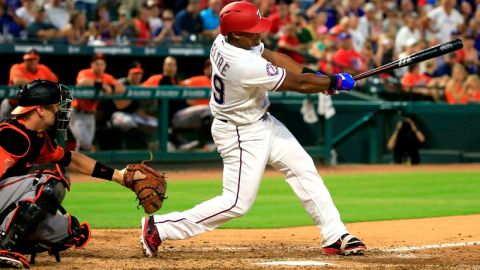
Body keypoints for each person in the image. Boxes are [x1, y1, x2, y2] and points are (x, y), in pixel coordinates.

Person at [140, 1, 365, 258]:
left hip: (261, 121)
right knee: (236, 203)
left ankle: (334, 234)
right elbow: (299, 84)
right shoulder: (242, 64)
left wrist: (320, 77)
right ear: (236, 33)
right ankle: (160, 228)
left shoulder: (226, 40)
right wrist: (330, 81)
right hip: (240, 133)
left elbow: (275, 58)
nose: (259, 33)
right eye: (253, 29)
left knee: (303, 169)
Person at [0, 80, 141, 269]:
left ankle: (12, 242)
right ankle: (3, 247)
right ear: (40, 109)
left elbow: (72, 159)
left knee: (69, 231)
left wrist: (119, 176)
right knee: (49, 183)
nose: (61, 110)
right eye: (56, 106)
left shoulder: (36, 137)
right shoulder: (11, 135)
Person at [69, 53, 125, 152]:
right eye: (97, 64)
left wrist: (111, 88)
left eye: (102, 64)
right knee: (86, 144)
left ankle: (76, 165)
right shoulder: (85, 73)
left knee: (83, 145)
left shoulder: (106, 77)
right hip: (77, 113)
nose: (99, 67)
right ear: (92, 65)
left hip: (91, 115)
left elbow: (121, 88)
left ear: (105, 66)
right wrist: (101, 85)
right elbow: (82, 81)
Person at [0, 49, 58, 119]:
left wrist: (34, 83)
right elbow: (17, 81)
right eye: (29, 59)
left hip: (29, 109)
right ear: (24, 59)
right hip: (12, 105)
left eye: (34, 59)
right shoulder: (17, 67)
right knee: (3, 127)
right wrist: (39, 82)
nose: (32, 61)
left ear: (38, 59)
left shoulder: (43, 69)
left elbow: (55, 81)